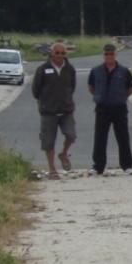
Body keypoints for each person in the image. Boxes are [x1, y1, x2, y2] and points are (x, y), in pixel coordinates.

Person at [87, 43, 132, 176]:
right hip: (102, 108)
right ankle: (98, 167)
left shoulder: (124, 71)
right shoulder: (95, 71)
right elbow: (91, 87)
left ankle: (127, 166)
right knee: (100, 138)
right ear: (103, 55)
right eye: (106, 54)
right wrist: (100, 97)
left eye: (111, 54)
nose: (109, 56)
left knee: (123, 137)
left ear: (116, 54)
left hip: (119, 108)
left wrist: (120, 97)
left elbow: (130, 88)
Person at [31, 42, 77, 179]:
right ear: (51, 53)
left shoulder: (70, 69)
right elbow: (35, 90)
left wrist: (66, 99)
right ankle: (52, 169)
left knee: (71, 135)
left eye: (63, 53)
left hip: (66, 110)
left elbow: (72, 87)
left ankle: (64, 153)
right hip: (48, 111)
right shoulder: (42, 69)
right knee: (48, 142)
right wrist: (45, 102)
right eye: (57, 53)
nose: (60, 55)